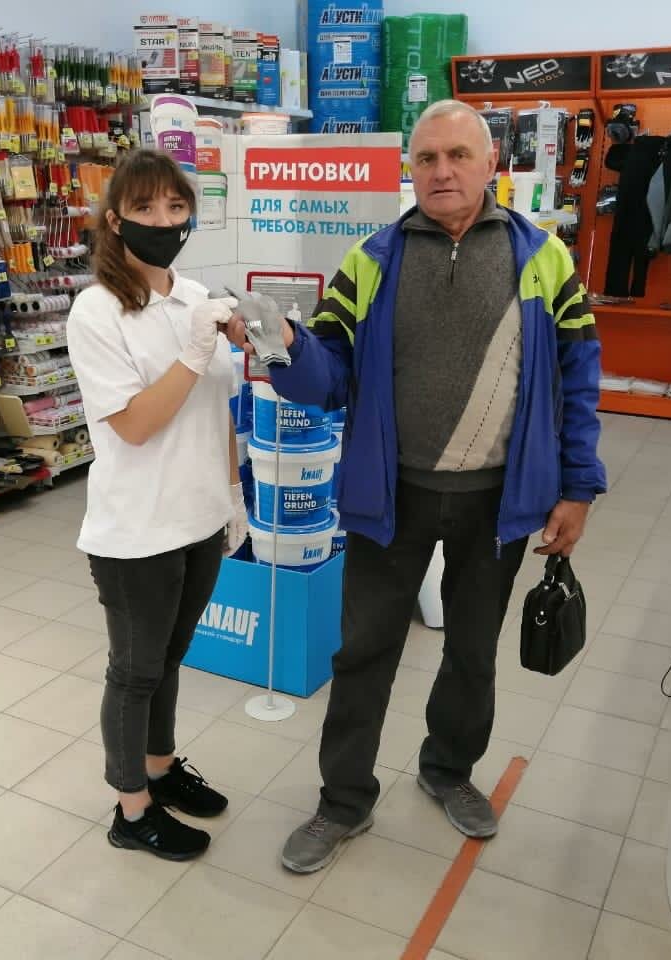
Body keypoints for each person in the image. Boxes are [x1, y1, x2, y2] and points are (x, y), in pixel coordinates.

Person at [227, 100, 606, 874]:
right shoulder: (372, 260)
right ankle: (343, 801)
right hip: (388, 495)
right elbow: (329, 376)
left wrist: (578, 486)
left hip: (498, 500)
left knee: (472, 651)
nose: (442, 171)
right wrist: (286, 345)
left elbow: (579, 378)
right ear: (411, 168)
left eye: (458, 155)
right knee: (364, 652)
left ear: (490, 162)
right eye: (426, 158)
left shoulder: (545, 258)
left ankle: (449, 770)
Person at [67, 149, 248, 861]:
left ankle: (161, 768)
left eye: (176, 207)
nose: (164, 220)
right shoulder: (97, 310)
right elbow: (136, 425)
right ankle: (131, 809)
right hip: (137, 528)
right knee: (136, 670)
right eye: (145, 208)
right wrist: (195, 354)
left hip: (199, 516)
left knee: (171, 658)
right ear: (115, 220)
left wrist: (231, 493)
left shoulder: (195, 296)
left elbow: (217, 407)